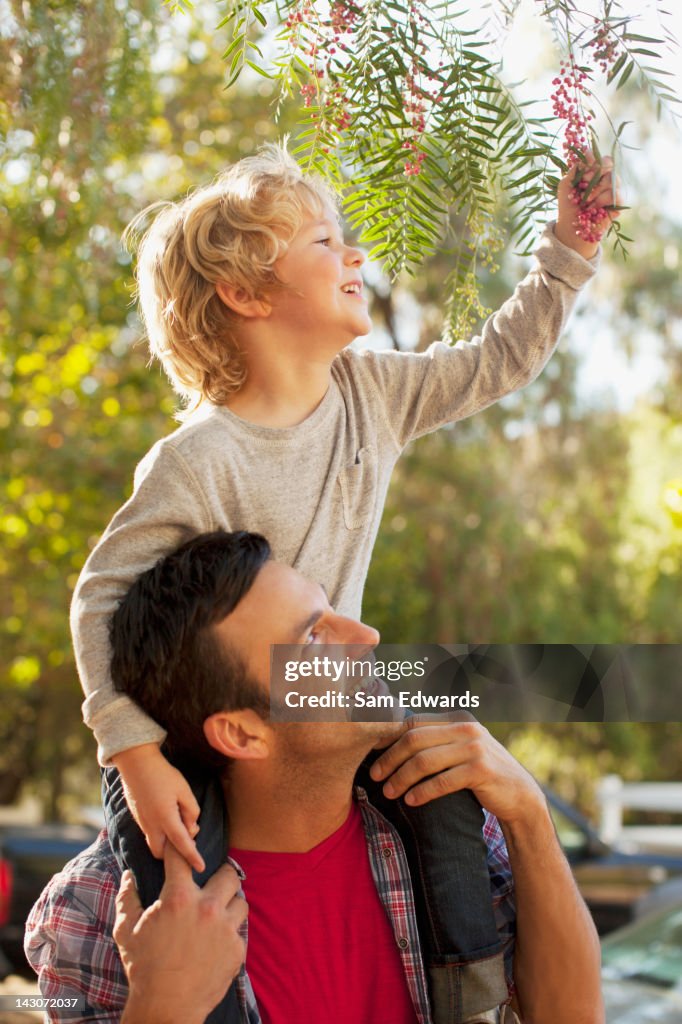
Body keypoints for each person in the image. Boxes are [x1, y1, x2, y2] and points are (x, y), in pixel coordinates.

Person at [69, 143, 618, 1021]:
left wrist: (569, 250)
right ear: (246, 297)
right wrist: (130, 749)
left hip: (344, 681)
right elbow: (102, 593)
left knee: (472, 758)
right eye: (324, 243)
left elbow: (499, 359)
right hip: (216, 719)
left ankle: (471, 997)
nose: (355, 253)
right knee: (178, 871)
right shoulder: (199, 458)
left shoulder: (375, 394)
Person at [27, 531, 604, 1024]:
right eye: (312, 638)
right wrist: (161, 1006)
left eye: (332, 610)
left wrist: (528, 812)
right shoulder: (98, 908)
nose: (368, 637)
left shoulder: (441, 826)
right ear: (243, 734)